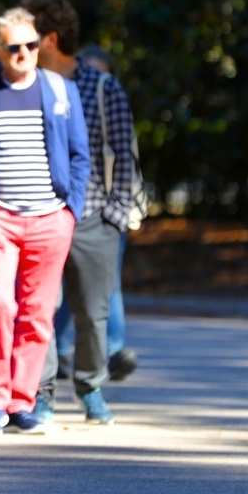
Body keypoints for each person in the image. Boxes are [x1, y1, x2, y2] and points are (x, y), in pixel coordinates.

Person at [0, 7, 89, 436]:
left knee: (38, 314)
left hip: (51, 219)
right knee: (0, 307)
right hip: (0, 219)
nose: (25, 53)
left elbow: (81, 156)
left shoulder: (60, 90)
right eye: (14, 47)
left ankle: (22, 401)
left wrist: (71, 212)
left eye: (31, 44)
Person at [21, 0, 139, 425]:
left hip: (93, 216)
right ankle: (41, 394)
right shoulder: (22, 87)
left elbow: (124, 153)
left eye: (29, 37)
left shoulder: (102, 86)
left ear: (50, 39)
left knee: (93, 311)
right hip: (39, 213)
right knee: (39, 307)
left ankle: (90, 386)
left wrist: (116, 212)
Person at [51, 45, 138, 384]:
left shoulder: (108, 99)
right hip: (64, 209)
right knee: (64, 286)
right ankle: (57, 348)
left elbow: (125, 152)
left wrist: (118, 210)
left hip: (103, 211)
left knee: (104, 284)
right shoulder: (63, 99)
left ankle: (113, 351)